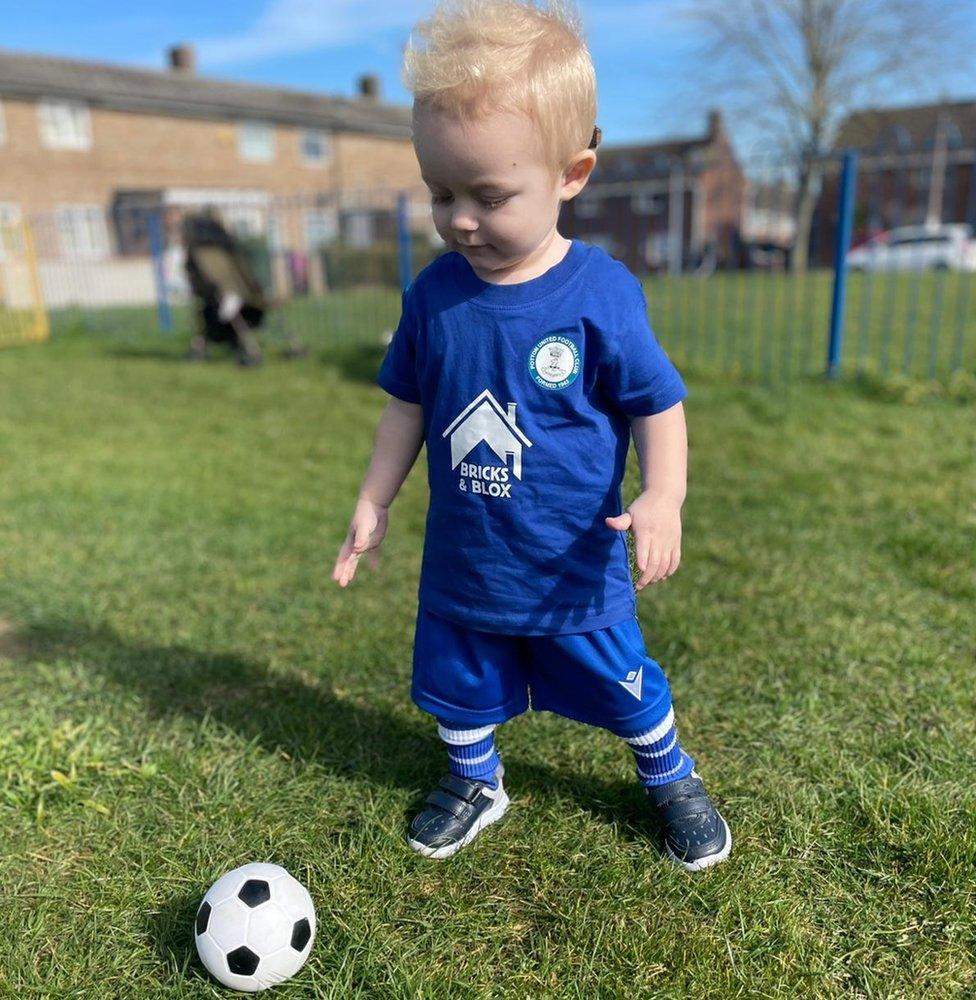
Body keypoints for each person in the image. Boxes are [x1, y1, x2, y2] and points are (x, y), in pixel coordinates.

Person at [332, 0, 731, 871]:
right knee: (459, 685)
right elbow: (407, 404)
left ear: (572, 174)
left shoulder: (600, 295)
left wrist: (663, 495)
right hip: (469, 564)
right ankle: (478, 781)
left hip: (568, 570)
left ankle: (669, 776)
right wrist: (374, 498)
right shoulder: (434, 297)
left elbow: (658, 404)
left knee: (624, 687)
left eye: (490, 195)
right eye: (441, 192)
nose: (461, 219)